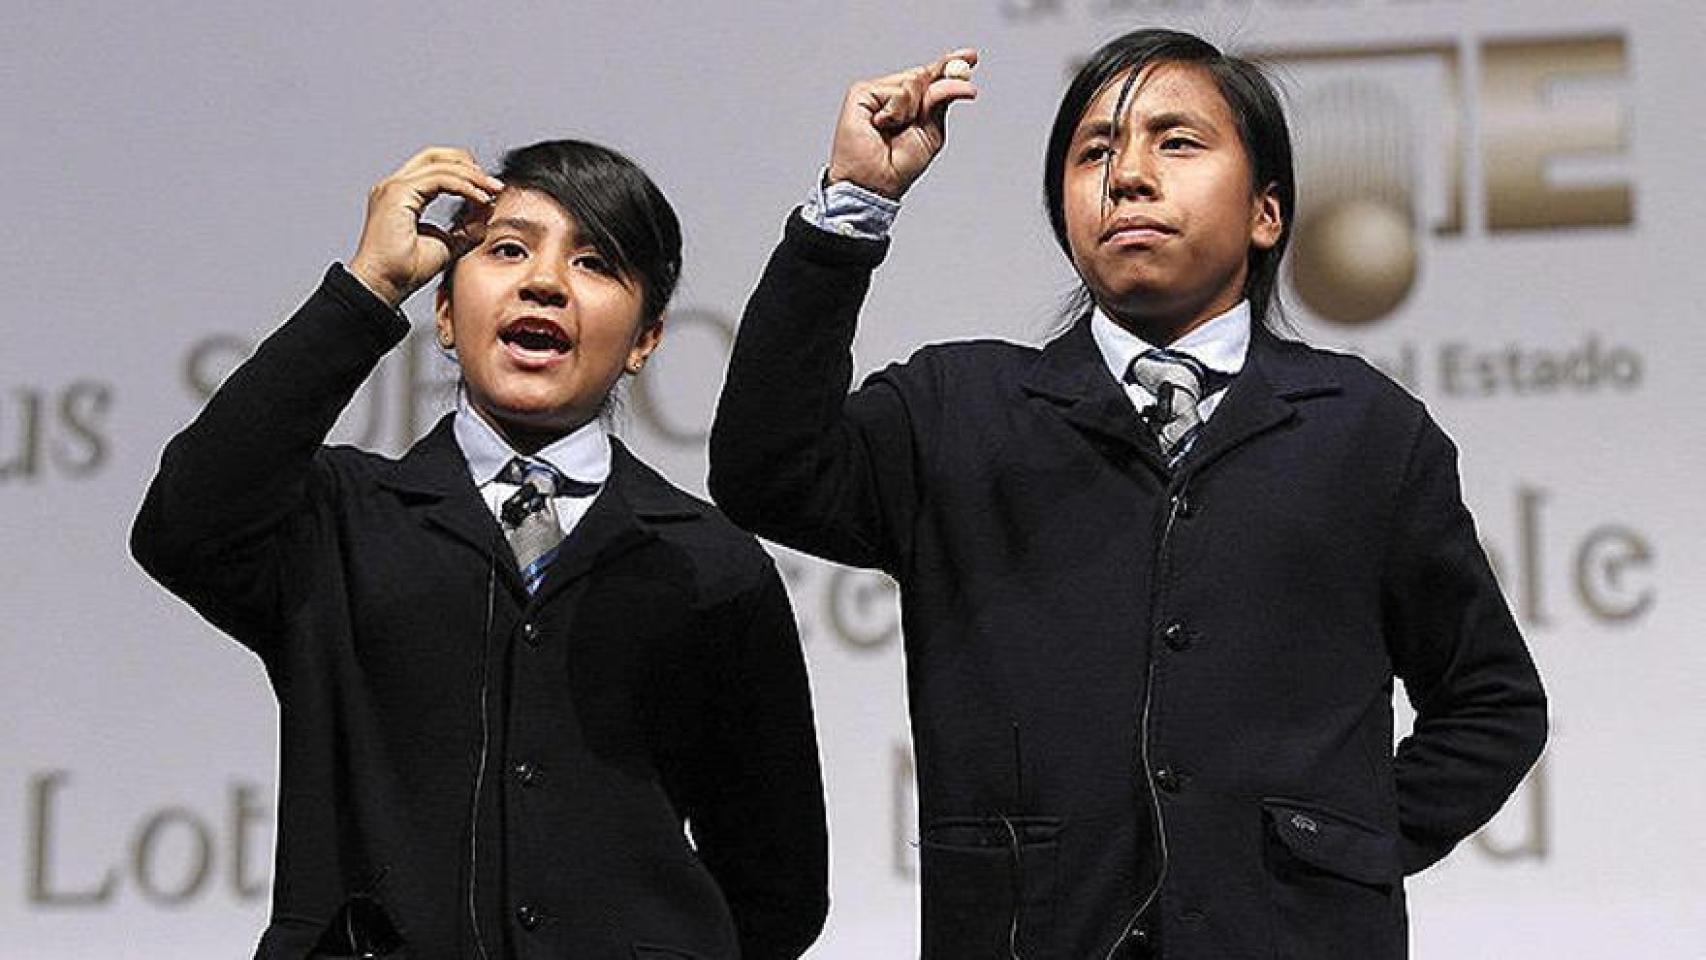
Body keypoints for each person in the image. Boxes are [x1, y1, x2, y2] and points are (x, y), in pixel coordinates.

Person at [708, 29, 1546, 959]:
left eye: (1175, 143)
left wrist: (1341, 846)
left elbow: (1493, 702)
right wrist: (852, 207)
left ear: (1267, 212)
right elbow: (766, 472)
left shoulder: (1365, 431)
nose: (1129, 177)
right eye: (1095, 152)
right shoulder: (956, 410)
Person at [132, 140, 828, 960]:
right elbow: (184, 525)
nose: (544, 281)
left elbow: (776, 884)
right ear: (445, 313)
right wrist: (370, 288)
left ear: (645, 339)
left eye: (597, 262)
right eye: (507, 249)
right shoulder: (338, 520)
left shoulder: (710, 564)